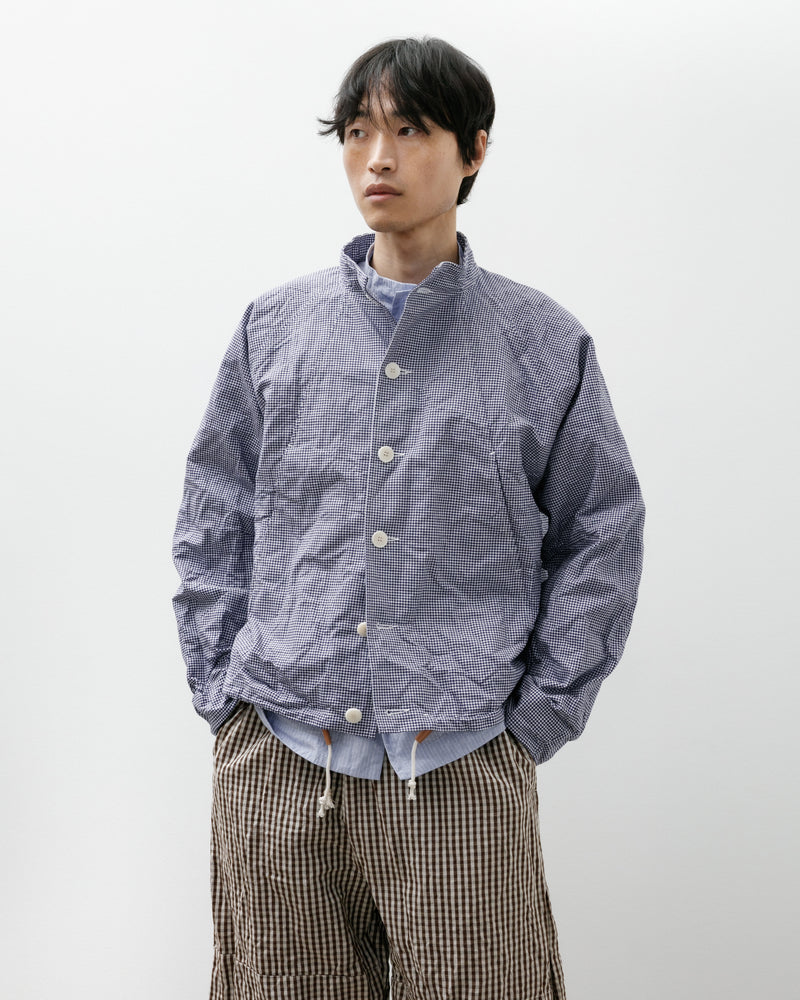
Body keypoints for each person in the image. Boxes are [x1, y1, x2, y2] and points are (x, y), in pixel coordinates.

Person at [173, 36, 644, 1000]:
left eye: (411, 129)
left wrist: (538, 719)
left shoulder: (541, 343)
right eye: (357, 132)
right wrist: (226, 697)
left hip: (460, 767)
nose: (377, 158)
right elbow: (214, 515)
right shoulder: (275, 329)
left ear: (475, 151)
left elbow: (602, 530)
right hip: (281, 762)